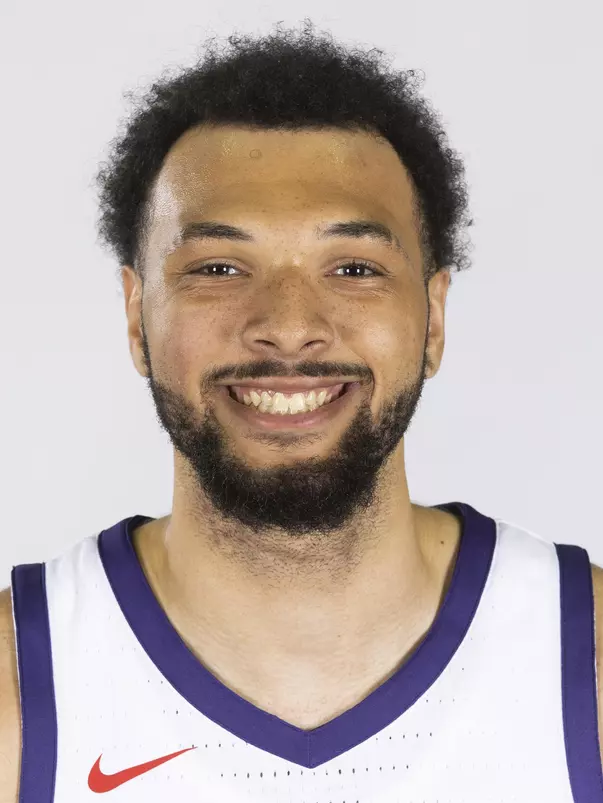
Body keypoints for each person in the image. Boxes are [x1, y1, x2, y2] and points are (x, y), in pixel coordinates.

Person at [1, 19, 602, 802]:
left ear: (434, 315)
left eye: (353, 267)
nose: (287, 324)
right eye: (219, 266)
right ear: (134, 314)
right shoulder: (19, 691)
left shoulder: (582, 667)